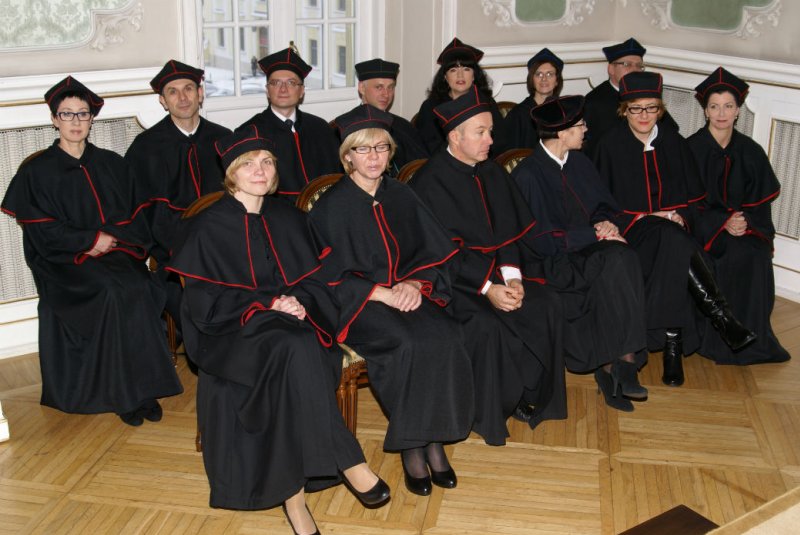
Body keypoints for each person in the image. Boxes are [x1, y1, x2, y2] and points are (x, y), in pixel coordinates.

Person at [167, 127, 390, 534]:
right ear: (231, 173)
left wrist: (299, 301)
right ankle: (349, 460)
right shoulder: (207, 227)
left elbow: (320, 282)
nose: (260, 170)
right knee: (296, 347)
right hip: (231, 333)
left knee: (297, 348)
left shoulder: (289, 217)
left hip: (293, 324)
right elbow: (204, 306)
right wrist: (267, 304)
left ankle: (294, 499)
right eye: (248, 163)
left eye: (267, 162)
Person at [307, 104, 474, 497]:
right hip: (359, 305)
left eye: (381, 148)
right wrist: (379, 292)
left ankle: (434, 440)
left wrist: (415, 284)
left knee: (447, 336)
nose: (373, 157)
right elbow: (322, 278)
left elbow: (435, 252)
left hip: (409, 294)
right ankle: (414, 447)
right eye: (363, 149)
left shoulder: (401, 194)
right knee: (408, 343)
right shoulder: (331, 207)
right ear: (347, 155)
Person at [1, 76, 182, 426]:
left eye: (82, 113)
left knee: (141, 287)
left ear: (91, 119)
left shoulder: (112, 164)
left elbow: (135, 218)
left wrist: (110, 240)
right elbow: (42, 233)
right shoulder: (37, 171)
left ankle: (145, 389)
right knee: (111, 292)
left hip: (115, 252)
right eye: (67, 114)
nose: (75, 121)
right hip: (63, 262)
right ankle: (123, 396)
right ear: (54, 119)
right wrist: (88, 241)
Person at [411, 86, 567, 443]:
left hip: (498, 274)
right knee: (488, 324)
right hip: (454, 283)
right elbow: (441, 253)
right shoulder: (429, 182)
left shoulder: (493, 172)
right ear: (455, 136)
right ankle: (491, 410)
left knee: (547, 303)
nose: (491, 141)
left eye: (491, 131)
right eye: (481, 132)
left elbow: (508, 233)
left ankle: (534, 396)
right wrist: (488, 288)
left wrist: (513, 279)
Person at [593, 71, 756, 386]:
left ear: (661, 109)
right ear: (624, 110)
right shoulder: (608, 146)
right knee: (670, 238)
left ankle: (673, 343)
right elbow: (599, 207)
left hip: (673, 235)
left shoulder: (674, 143)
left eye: (651, 108)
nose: (644, 115)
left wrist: (680, 216)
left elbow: (695, 202)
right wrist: (648, 216)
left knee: (673, 243)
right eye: (636, 108)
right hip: (633, 235)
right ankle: (716, 319)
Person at [511, 95, 648, 411]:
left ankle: (618, 364)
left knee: (623, 257)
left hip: (586, 251)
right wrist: (594, 234)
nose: (586, 129)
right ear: (562, 133)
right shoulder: (528, 175)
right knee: (617, 259)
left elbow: (603, 205)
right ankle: (619, 365)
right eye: (581, 125)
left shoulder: (580, 162)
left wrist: (606, 223)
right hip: (550, 262)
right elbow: (540, 240)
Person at [687, 67, 790, 365]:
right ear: (705, 111)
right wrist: (722, 223)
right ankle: (719, 341)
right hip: (704, 231)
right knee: (727, 255)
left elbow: (760, 206)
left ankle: (756, 339)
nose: (721, 113)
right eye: (714, 106)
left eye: (728, 106)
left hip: (745, 229)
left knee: (755, 254)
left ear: (737, 111)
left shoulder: (751, 151)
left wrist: (745, 224)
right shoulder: (690, 149)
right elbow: (686, 206)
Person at [125, 60, 231, 330]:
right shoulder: (145, 148)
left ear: (200, 94)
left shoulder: (225, 139)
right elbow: (143, 216)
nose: (182, 97)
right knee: (193, 304)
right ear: (163, 101)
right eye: (173, 92)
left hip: (227, 248)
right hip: (174, 255)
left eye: (189, 89)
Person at [238, 48, 340, 201]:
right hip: (274, 212)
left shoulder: (321, 128)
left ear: (302, 91)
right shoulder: (250, 133)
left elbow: (336, 179)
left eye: (291, 83)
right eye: (275, 83)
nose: (283, 89)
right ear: (267, 90)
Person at [583, 38, 678, 156]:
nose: (634, 70)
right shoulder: (594, 101)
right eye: (627, 64)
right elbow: (593, 147)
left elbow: (670, 130)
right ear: (611, 69)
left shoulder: (646, 93)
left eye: (639, 66)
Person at [414, 38, 507, 156]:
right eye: (453, 70)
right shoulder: (430, 107)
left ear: (474, 75)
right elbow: (428, 147)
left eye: (466, 69)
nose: (460, 75)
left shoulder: (486, 103)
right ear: (445, 77)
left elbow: (500, 142)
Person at [353, 58, 428, 173]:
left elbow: (423, 166)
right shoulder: (346, 127)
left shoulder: (403, 126)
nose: (386, 94)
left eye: (390, 87)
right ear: (362, 88)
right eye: (379, 87)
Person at [496, 48, 564, 153]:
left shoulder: (564, 112)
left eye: (549, 74)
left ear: (557, 81)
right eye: (539, 74)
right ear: (532, 80)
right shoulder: (519, 115)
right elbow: (510, 156)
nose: (544, 79)